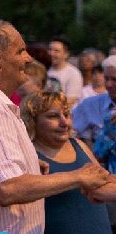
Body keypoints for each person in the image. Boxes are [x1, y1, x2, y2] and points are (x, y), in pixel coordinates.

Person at [0, 19, 109, 234]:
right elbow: (6, 189)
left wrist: (30, 166)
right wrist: (78, 176)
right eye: (20, 51)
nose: (29, 58)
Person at [20, 90, 110, 234]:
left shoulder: (79, 145)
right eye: (53, 116)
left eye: (66, 115)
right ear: (33, 120)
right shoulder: (27, 154)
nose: (64, 122)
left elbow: (104, 182)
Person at [72, 57, 116, 146]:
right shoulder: (89, 105)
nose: (108, 84)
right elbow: (72, 132)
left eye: (114, 80)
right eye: (106, 79)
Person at [48, 38, 83, 105]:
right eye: (50, 49)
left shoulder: (73, 73)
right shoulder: (44, 69)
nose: (51, 53)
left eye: (56, 51)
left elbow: (71, 100)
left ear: (66, 54)